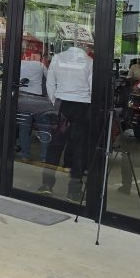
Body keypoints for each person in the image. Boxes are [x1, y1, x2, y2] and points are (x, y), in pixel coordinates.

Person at [39, 43, 93, 199]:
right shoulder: (89, 61)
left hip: (61, 103)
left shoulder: (57, 58)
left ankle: (47, 184)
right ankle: (74, 191)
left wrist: (55, 101)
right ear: (84, 46)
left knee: (55, 146)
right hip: (82, 105)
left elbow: (50, 83)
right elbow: (93, 87)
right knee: (78, 148)